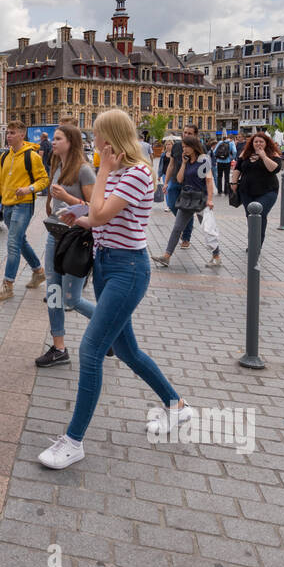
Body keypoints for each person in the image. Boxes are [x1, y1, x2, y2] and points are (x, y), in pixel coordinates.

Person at [38, 110, 189, 470]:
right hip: (106, 265)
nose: (95, 143)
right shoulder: (121, 173)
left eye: (98, 137)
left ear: (112, 139)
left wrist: (102, 173)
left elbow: (103, 214)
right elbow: (96, 215)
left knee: (91, 351)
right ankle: (177, 407)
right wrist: (77, 213)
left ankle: (73, 441)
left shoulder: (136, 173)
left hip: (129, 269)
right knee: (128, 350)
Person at [36, 122, 96, 368]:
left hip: (76, 239)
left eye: (58, 138)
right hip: (55, 235)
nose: (53, 141)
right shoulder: (57, 165)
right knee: (53, 292)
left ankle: (113, 328)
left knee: (71, 298)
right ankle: (59, 347)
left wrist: (66, 198)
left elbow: (95, 209)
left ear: (70, 142)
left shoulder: (84, 169)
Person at [0, 120, 50, 300]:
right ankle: (38, 271)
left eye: (12, 133)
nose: (9, 136)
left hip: (24, 205)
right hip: (7, 205)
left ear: (22, 135)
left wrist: (28, 189)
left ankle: (8, 285)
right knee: (20, 241)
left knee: (13, 243)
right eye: (8, 133)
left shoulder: (32, 157)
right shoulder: (4, 157)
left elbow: (44, 180)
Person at [153, 134, 221, 268]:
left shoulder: (203, 160)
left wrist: (210, 199)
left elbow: (208, 180)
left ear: (194, 147)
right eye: (183, 147)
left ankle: (216, 256)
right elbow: (179, 179)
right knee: (177, 228)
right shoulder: (187, 162)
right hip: (186, 198)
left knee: (208, 229)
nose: (184, 149)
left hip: (201, 198)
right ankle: (166, 256)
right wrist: (183, 163)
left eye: (186, 147)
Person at [230, 132, 282, 249]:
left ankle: (257, 245)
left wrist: (263, 156)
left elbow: (274, 169)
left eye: (261, 142)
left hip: (267, 191)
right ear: (252, 143)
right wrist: (234, 182)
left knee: (260, 215)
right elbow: (238, 168)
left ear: (266, 143)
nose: (258, 144)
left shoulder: (272, 154)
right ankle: (252, 242)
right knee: (250, 217)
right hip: (246, 191)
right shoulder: (246, 153)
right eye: (256, 142)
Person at [161, 125, 200, 246]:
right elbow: (171, 165)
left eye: (190, 133)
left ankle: (186, 238)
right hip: (175, 180)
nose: (186, 135)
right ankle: (184, 222)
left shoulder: (200, 147)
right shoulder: (177, 146)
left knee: (187, 209)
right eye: (185, 132)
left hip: (190, 183)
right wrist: (166, 182)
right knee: (172, 204)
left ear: (195, 135)